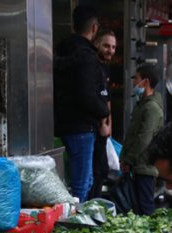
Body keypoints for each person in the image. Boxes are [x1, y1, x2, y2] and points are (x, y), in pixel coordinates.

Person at [53, 5, 110, 202]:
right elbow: (86, 95)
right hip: (81, 128)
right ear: (94, 28)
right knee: (81, 184)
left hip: (68, 125)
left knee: (85, 180)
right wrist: (103, 110)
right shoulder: (86, 56)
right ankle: (76, 226)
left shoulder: (63, 50)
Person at [119, 64, 164, 215]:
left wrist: (128, 159)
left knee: (145, 207)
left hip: (145, 166)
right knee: (138, 206)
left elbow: (144, 138)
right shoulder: (142, 104)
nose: (134, 82)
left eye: (136, 78)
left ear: (145, 82)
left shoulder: (151, 108)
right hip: (138, 165)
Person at [88, 29, 117, 200]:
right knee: (94, 173)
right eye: (106, 46)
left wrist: (109, 125)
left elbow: (107, 101)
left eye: (113, 47)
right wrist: (103, 125)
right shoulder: (92, 66)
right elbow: (92, 100)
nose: (110, 50)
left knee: (101, 171)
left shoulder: (106, 69)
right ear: (97, 43)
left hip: (103, 132)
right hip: (92, 130)